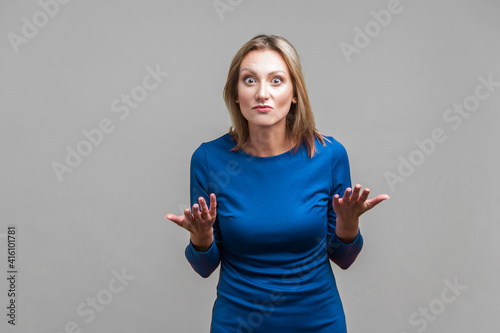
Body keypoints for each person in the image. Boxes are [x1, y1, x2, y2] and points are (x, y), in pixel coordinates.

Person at [165, 34, 389, 332]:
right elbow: (204, 266)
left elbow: (344, 258)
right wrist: (202, 236)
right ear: (235, 93)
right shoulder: (209, 159)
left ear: (294, 93)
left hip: (318, 323)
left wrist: (348, 225)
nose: (262, 93)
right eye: (249, 80)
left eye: (276, 80)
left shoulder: (329, 155)